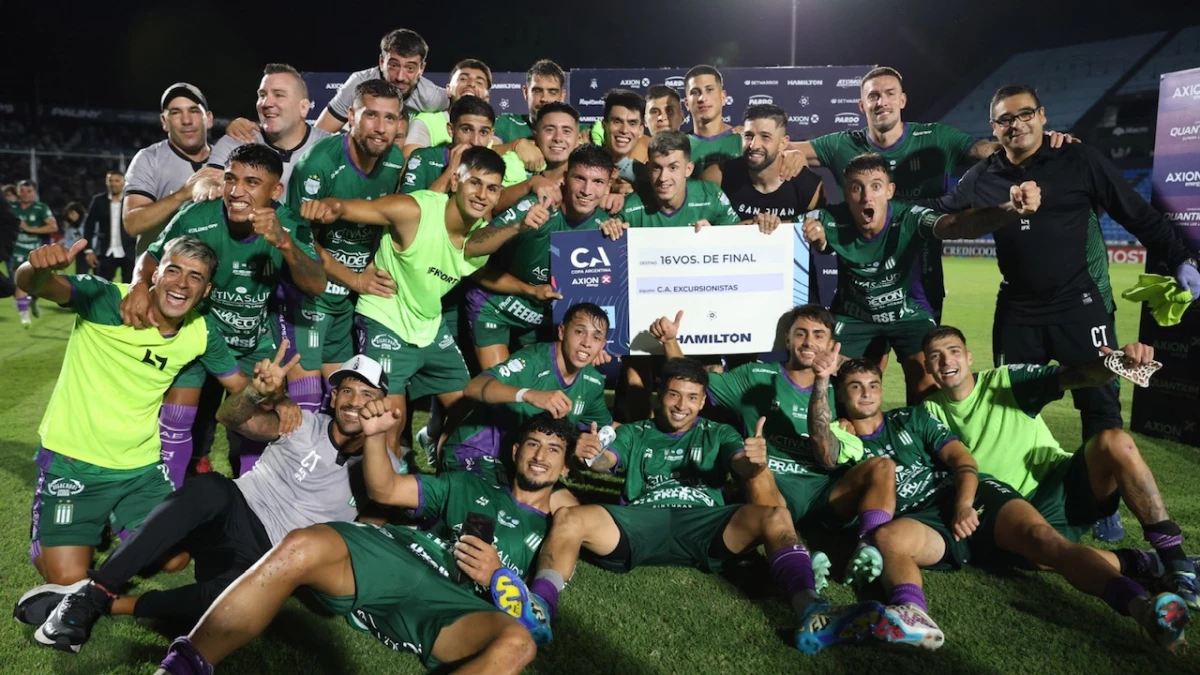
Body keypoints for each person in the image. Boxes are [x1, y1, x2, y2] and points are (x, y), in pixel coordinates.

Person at [495, 357, 886, 655]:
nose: (682, 405)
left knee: (775, 516)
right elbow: (606, 461)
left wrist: (752, 462)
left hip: (707, 525)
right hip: (639, 522)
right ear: (659, 394)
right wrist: (593, 454)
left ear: (703, 401)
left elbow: (738, 462)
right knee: (569, 518)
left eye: (693, 397)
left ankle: (810, 610)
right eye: (674, 394)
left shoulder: (719, 431)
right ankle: (540, 606)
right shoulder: (635, 432)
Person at [16, 351, 393, 652]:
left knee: (226, 604)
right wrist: (255, 394)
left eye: (367, 394)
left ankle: (106, 605)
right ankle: (96, 590)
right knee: (208, 487)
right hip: (232, 509)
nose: (354, 402)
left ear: (382, 405)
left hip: (268, 556)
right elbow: (230, 417)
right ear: (333, 395)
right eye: (347, 390)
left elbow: (370, 534)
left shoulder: (383, 470)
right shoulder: (302, 423)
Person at [153, 411, 577, 675]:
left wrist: (498, 575)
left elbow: (538, 620)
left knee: (518, 646)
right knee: (301, 545)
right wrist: (376, 436)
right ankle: (183, 666)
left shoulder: (561, 527)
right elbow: (386, 489)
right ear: (517, 450)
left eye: (554, 450)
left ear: (564, 466)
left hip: (458, 606)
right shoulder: (468, 484)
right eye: (534, 445)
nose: (541, 457)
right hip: (403, 556)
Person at [837, 355, 1191, 651]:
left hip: (970, 497)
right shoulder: (840, 440)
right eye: (855, 386)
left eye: (872, 385)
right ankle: (913, 614)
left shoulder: (911, 418)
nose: (866, 394)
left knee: (1045, 543)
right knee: (888, 540)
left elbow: (964, 462)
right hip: (923, 519)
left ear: (883, 389)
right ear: (841, 393)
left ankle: (1145, 609)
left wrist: (963, 503)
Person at [15, 236, 245, 589]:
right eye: (173, 270)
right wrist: (37, 269)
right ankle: (52, 534)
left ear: (207, 289)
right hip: (75, 461)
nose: (182, 284)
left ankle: (110, 517)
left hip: (139, 469)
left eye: (195, 277)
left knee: (175, 560)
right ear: (154, 276)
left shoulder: (201, 331)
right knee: (65, 579)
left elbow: (240, 388)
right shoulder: (108, 300)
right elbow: (36, 284)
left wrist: (269, 388)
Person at [922, 326, 1200, 614]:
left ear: (968, 357)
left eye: (954, 352)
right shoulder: (927, 413)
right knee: (1034, 555)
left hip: (1066, 484)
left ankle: (1178, 564)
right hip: (1018, 513)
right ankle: (1142, 562)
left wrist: (1115, 363)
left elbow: (1076, 376)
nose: (946, 362)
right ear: (927, 367)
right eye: (936, 356)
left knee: (1114, 441)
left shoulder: (1005, 381)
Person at [123, 144, 326, 484]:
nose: (236, 191)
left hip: (251, 342)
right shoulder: (198, 216)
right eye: (231, 179)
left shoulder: (289, 224)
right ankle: (162, 508)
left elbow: (316, 285)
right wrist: (138, 285)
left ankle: (249, 506)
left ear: (275, 191)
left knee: (253, 425)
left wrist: (284, 243)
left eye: (251, 182)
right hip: (199, 335)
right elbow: (153, 256)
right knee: (175, 419)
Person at [299, 146, 511, 468]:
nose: (482, 194)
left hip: (429, 324)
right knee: (391, 421)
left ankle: (447, 481)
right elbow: (350, 208)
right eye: (475, 183)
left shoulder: (480, 242)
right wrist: (327, 207)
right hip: (385, 318)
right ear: (455, 181)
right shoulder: (413, 210)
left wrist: (530, 289)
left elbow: (483, 273)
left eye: (492, 188)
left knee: (467, 413)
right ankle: (383, 503)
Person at [656, 305, 893, 581]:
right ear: (787, 340)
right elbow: (694, 384)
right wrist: (670, 340)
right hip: (774, 484)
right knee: (756, 469)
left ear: (831, 344)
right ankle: (796, 552)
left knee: (883, 467)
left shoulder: (842, 386)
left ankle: (869, 546)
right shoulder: (755, 375)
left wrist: (847, 419)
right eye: (800, 334)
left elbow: (870, 418)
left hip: (826, 489)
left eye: (818, 335)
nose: (808, 342)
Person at [801, 152, 1040, 404]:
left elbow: (955, 224)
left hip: (907, 314)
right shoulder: (828, 219)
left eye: (876, 186)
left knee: (926, 383)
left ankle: (920, 438)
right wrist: (770, 222)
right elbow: (793, 230)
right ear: (846, 192)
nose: (866, 196)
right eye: (856, 188)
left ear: (890, 190)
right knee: (842, 384)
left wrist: (1010, 209)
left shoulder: (910, 217)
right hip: (854, 316)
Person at [278, 78, 407, 415]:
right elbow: (301, 246)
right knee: (304, 399)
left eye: (390, 118)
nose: (380, 128)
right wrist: (357, 280)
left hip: (345, 302)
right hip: (308, 295)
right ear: (351, 116)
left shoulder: (394, 161)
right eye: (371, 116)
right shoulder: (318, 166)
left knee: (342, 402)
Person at [440, 302, 613, 493]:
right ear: (562, 332)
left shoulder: (593, 382)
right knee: (491, 511)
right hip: (479, 452)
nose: (587, 343)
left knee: (567, 512)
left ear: (602, 345)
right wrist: (528, 394)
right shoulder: (533, 360)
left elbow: (606, 428)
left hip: (525, 465)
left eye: (596, 337)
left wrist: (583, 449)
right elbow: (473, 387)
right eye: (579, 332)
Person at [465, 141, 609, 370]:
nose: (587, 190)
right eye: (579, 178)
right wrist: (517, 227)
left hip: (543, 319)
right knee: (502, 386)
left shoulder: (606, 228)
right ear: (565, 178)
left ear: (608, 187)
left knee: (539, 392)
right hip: (497, 303)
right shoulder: (537, 206)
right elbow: (471, 248)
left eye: (598, 182)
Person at [123, 83, 223, 255]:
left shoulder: (228, 162)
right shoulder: (149, 159)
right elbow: (133, 224)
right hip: (157, 275)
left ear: (209, 119)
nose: (186, 121)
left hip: (215, 275)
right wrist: (182, 194)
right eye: (176, 112)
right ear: (164, 122)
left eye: (194, 111)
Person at [206, 64, 332, 195]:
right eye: (262, 95)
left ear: (304, 108)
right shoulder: (238, 139)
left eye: (278, 95)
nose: (266, 103)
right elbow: (205, 181)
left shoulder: (331, 148)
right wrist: (209, 187)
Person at [701, 103, 825, 223]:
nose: (754, 145)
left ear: (782, 143)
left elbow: (820, 232)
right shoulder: (717, 176)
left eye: (765, 137)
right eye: (748, 136)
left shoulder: (808, 186)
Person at [315, 28, 448, 133]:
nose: (400, 77)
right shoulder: (358, 84)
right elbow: (320, 133)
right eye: (394, 65)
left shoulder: (431, 96)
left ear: (421, 68)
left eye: (410, 68)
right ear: (382, 61)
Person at [401, 95, 499, 194]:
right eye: (467, 129)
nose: (475, 141)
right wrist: (451, 170)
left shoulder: (496, 167)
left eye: (483, 132)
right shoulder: (423, 158)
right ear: (451, 130)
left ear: (491, 135)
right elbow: (407, 207)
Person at [404, 58, 494, 152]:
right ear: (448, 89)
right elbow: (411, 159)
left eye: (479, 82)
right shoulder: (426, 121)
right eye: (463, 79)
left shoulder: (489, 127)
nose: (471, 84)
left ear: (487, 97)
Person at [11, 180, 57, 327]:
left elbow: (52, 227)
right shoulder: (11, 208)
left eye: (29, 191)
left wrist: (29, 229)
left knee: (36, 285)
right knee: (19, 283)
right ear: (17, 192)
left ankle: (33, 301)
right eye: (22, 190)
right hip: (16, 250)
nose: (25, 194)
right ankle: (24, 317)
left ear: (34, 192)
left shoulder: (41, 208)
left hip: (35, 251)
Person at [492, 59, 568, 143]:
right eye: (537, 91)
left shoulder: (579, 131)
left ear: (562, 96)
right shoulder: (507, 124)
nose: (544, 98)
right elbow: (487, 149)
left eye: (552, 92)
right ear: (525, 93)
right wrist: (515, 146)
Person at [683, 65, 742, 172]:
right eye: (695, 92)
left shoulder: (744, 141)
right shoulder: (679, 146)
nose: (702, 98)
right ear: (686, 103)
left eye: (709, 90)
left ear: (723, 97)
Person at [84, 171, 136, 283]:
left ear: (124, 182)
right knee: (101, 287)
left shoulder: (131, 201)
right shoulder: (98, 201)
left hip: (129, 251)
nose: (113, 184)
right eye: (110, 181)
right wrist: (88, 250)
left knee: (130, 287)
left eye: (117, 181)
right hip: (105, 252)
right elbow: (89, 226)